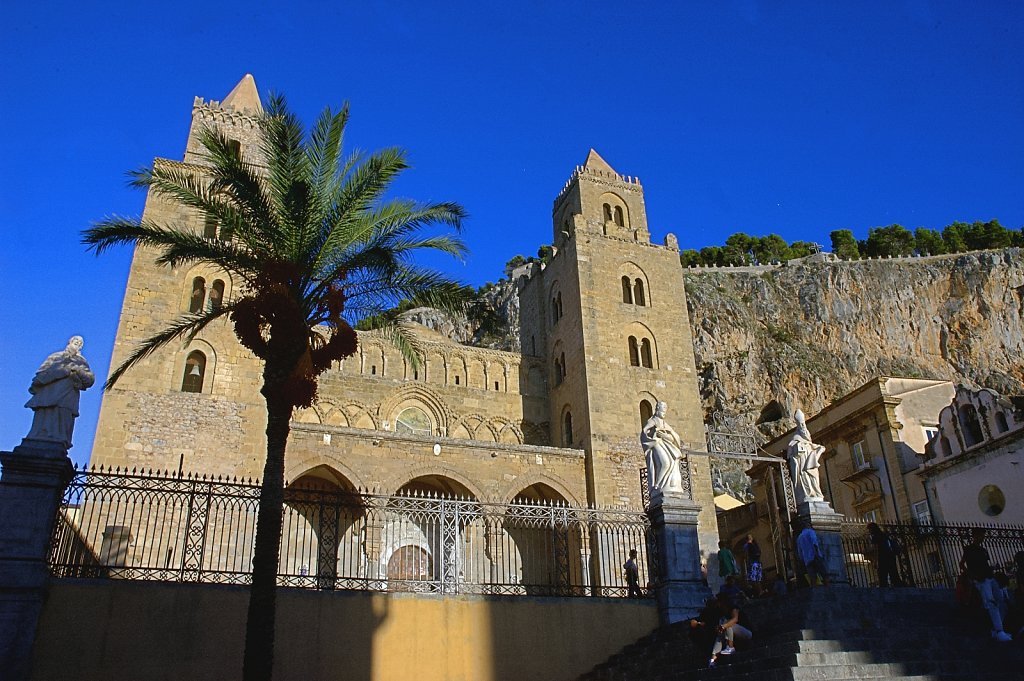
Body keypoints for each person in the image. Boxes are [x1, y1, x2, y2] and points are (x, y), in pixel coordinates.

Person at [25, 335, 95, 448]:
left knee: (63, 416)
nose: (77, 343)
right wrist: (63, 370)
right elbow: (42, 373)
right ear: (70, 342)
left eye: (80, 343)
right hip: (49, 393)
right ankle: (39, 436)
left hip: (68, 395)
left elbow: (89, 380)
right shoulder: (56, 356)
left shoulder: (81, 362)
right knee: (46, 414)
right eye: (75, 341)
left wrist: (77, 370)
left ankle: (60, 439)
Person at [959, 529, 1011, 642]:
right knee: (991, 602)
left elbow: (984, 564)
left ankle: (996, 629)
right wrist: (971, 576)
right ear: (975, 536)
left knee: (1000, 600)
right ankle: (999, 631)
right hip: (981, 579)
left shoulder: (983, 550)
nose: (983, 538)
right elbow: (962, 564)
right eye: (981, 536)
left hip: (990, 576)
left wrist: (992, 568)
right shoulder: (969, 549)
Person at [640, 401, 684, 493]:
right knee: (665, 463)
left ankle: (666, 485)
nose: (664, 412)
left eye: (665, 410)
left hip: (666, 445)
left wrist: (666, 436)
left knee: (672, 462)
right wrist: (653, 435)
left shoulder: (664, 423)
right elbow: (645, 430)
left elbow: (673, 436)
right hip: (656, 444)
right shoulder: (653, 420)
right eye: (663, 409)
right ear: (657, 409)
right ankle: (658, 485)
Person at [786, 409, 825, 504]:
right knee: (805, 478)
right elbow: (790, 453)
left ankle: (816, 493)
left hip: (810, 464)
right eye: (801, 425)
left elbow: (814, 446)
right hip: (802, 465)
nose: (803, 427)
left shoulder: (808, 440)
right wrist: (797, 450)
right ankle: (807, 494)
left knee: (814, 479)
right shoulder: (795, 440)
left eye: (804, 424)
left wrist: (817, 449)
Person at [867, 522, 903, 587]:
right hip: (891, 556)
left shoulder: (875, 536)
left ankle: (884, 588)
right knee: (893, 573)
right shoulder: (884, 534)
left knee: (882, 575)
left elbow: (875, 549)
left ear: (871, 529)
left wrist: (875, 561)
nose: (869, 531)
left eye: (869, 529)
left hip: (882, 557)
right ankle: (899, 587)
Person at [795, 521, 829, 587]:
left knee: (812, 578)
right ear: (808, 525)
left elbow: (799, 551)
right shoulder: (810, 532)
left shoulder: (799, 537)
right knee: (824, 574)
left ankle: (815, 592)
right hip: (815, 556)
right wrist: (817, 554)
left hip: (807, 560)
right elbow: (814, 542)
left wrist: (803, 560)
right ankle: (828, 590)